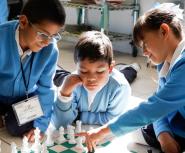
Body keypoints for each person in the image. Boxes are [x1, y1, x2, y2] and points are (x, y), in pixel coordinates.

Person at [77, 3, 185, 153]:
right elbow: (159, 105)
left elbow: (153, 108)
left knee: (133, 125)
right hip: (179, 125)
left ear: (163, 30)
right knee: (133, 133)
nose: (145, 53)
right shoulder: (165, 61)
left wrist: (101, 131)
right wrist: (163, 135)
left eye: (145, 44)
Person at [0, 0, 66, 142]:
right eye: (43, 34)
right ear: (23, 22)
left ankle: (6, 117)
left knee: (16, 128)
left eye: (53, 36)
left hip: (25, 97)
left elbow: (46, 88)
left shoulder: (50, 49)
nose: (47, 42)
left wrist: (40, 126)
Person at [51, 31, 131, 129]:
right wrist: (64, 93)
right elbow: (60, 124)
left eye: (100, 71)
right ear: (76, 67)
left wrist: (78, 116)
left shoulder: (120, 87)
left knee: (128, 75)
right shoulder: (74, 82)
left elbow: (113, 120)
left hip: (116, 79)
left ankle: (131, 68)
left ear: (110, 68)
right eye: (84, 71)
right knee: (60, 77)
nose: (91, 78)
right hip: (70, 78)